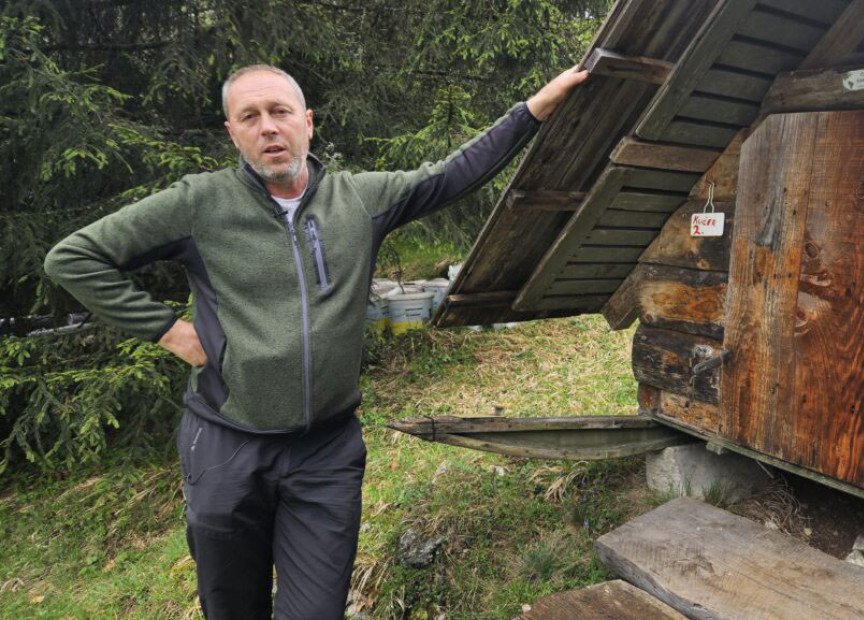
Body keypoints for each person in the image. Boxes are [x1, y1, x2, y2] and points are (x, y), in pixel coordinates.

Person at [44, 63, 588, 619]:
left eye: (279, 112)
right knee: (233, 608)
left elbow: (452, 174)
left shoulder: (359, 200)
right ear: (232, 133)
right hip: (227, 444)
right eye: (249, 117)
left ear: (307, 122)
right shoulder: (199, 204)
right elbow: (73, 257)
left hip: (326, 452)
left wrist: (535, 107)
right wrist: (168, 330)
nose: (268, 128)